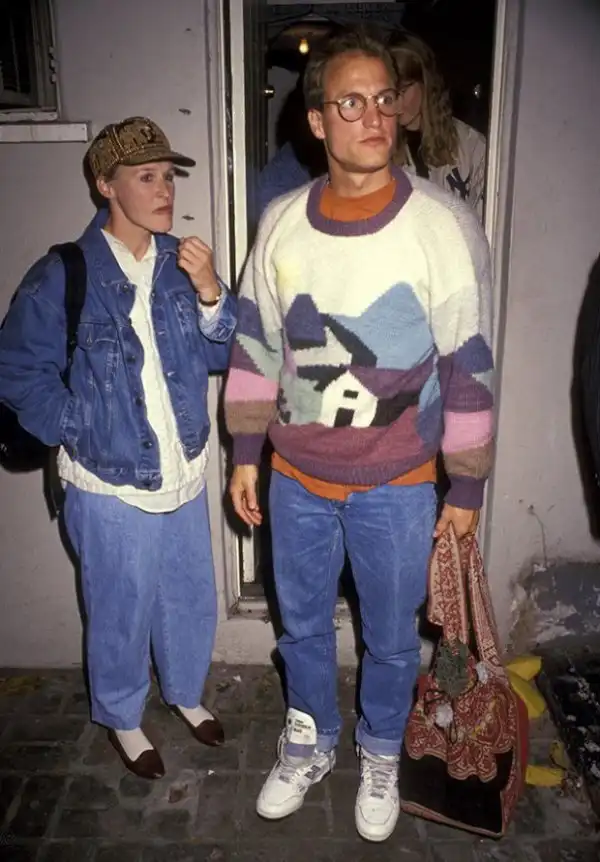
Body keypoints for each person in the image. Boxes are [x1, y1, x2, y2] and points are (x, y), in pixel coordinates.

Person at [224, 27, 494, 843]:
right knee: (301, 627)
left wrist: (467, 484)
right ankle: (309, 739)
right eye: (351, 102)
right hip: (297, 481)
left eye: (383, 99)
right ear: (317, 121)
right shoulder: (281, 222)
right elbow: (255, 343)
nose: (374, 117)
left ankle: (379, 750)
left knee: (391, 639)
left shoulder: (441, 224)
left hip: (399, 485)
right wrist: (246, 454)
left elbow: (468, 361)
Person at [0, 117, 237, 780]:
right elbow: (15, 369)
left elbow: (229, 351)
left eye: (168, 176)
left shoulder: (181, 262)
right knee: (119, 605)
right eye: (146, 176)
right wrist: (78, 424)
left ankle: (184, 692)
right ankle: (122, 715)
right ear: (106, 185)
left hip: (183, 467)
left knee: (188, 593)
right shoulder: (63, 273)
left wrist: (212, 292)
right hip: (108, 482)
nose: (165, 190)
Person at [389, 32, 487, 218]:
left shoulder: (471, 146)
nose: (395, 102)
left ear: (425, 83)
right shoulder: (383, 145)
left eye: (402, 91)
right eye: (389, 94)